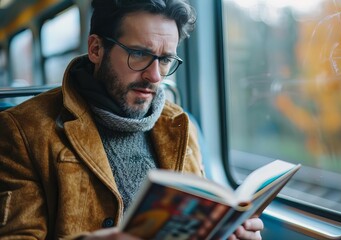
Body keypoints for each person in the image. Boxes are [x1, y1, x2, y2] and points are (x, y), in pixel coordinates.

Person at [0, 0, 264, 239]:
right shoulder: (22, 131)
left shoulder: (181, 125)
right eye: (139, 54)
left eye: (165, 59)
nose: (155, 76)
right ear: (95, 49)